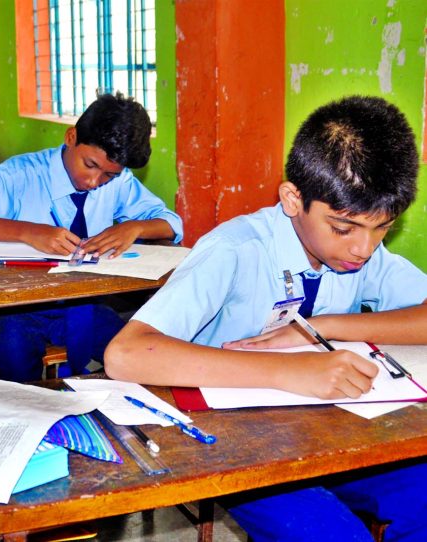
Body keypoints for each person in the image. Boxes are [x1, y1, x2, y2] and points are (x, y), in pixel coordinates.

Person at [105, 95, 427, 541]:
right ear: (293, 198)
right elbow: (126, 353)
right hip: (239, 445)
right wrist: (289, 370)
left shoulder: (361, 252)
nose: (364, 248)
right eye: (343, 228)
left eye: (382, 227)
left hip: (332, 431)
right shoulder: (235, 249)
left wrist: (322, 330)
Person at [0, 93, 181, 382]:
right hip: (15, 307)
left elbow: (171, 223)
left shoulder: (120, 182)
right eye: (90, 165)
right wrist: (28, 232)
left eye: (108, 175)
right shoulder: (19, 174)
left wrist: (134, 228)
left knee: (137, 359)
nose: (94, 182)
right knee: (17, 384)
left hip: (83, 305)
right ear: (71, 137)